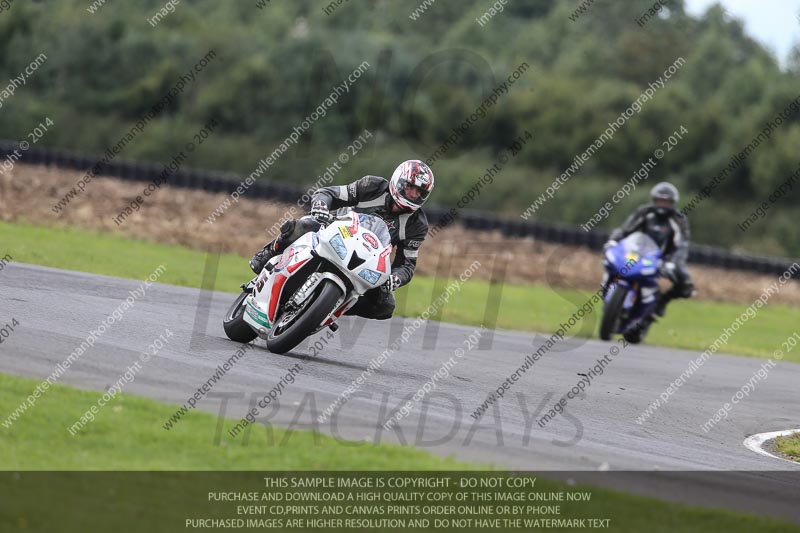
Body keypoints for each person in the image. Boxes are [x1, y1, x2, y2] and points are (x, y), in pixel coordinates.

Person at [249, 160, 434, 320]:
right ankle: (268, 253)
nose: (413, 195)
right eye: (410, 187)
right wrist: (321, 206)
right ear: (398, 181)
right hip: (333, 230)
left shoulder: (417, 224)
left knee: (385, 305)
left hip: (365, 259)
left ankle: (331, 308)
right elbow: (329, 193)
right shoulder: (373, 186)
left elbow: (407, 265)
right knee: (299, 227)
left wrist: (396, 278)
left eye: (419, 192)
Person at [605, 181, 695, 317]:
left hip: (665, 258)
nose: (662, 205)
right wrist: (613, 240)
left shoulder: (678, 220)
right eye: (660, 201)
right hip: (639, 251)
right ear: (654, 200)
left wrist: (673, 262)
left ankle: (662, 302)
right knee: (611, 262)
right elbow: (626, 229)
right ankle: (608, 289)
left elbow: (682, 244)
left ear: (672, 203)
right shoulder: (645, 212)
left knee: (686, 284)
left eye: (666, 202)